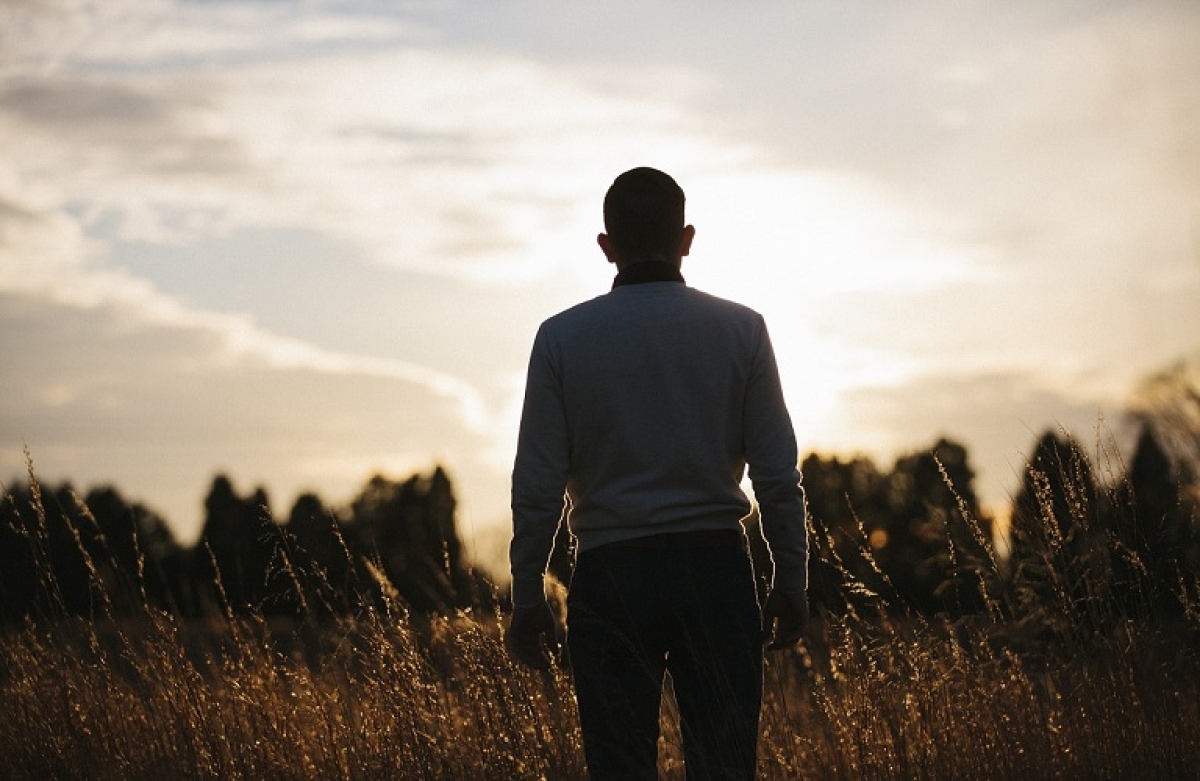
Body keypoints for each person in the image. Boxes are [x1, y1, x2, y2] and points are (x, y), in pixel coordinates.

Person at [506, 167, 809, 780]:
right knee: (723, 768)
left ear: (606, 246)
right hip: (716, 572)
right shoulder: (741, 330)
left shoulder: (561, 339)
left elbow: (537, 483)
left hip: (611, 575)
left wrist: (527, 591)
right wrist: (791, 577)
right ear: (687, 238)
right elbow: (777, 475)